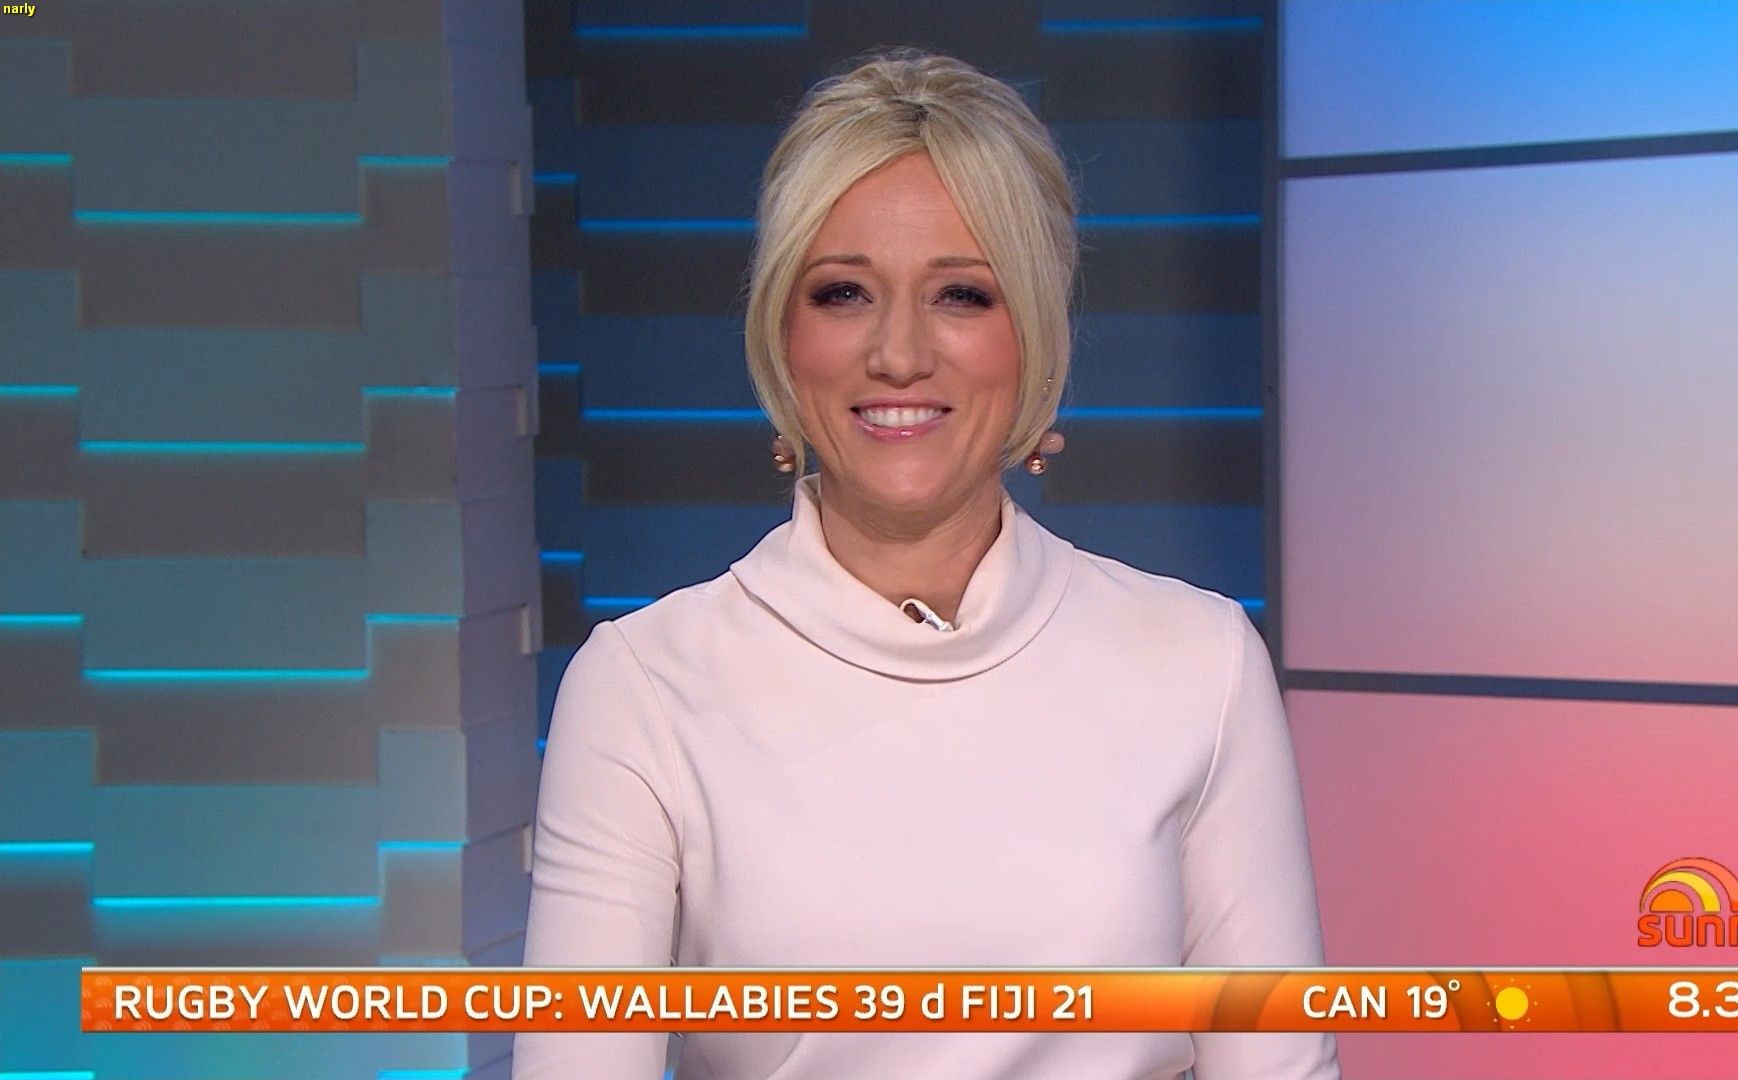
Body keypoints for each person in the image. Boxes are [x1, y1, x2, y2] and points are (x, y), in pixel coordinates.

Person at [513, 49, 1339, 1080]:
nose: (899, 354)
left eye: (960, 295)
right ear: (783, 336)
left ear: (1032, 336)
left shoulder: (1198, 660)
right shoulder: (643, 685)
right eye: (844, 293)